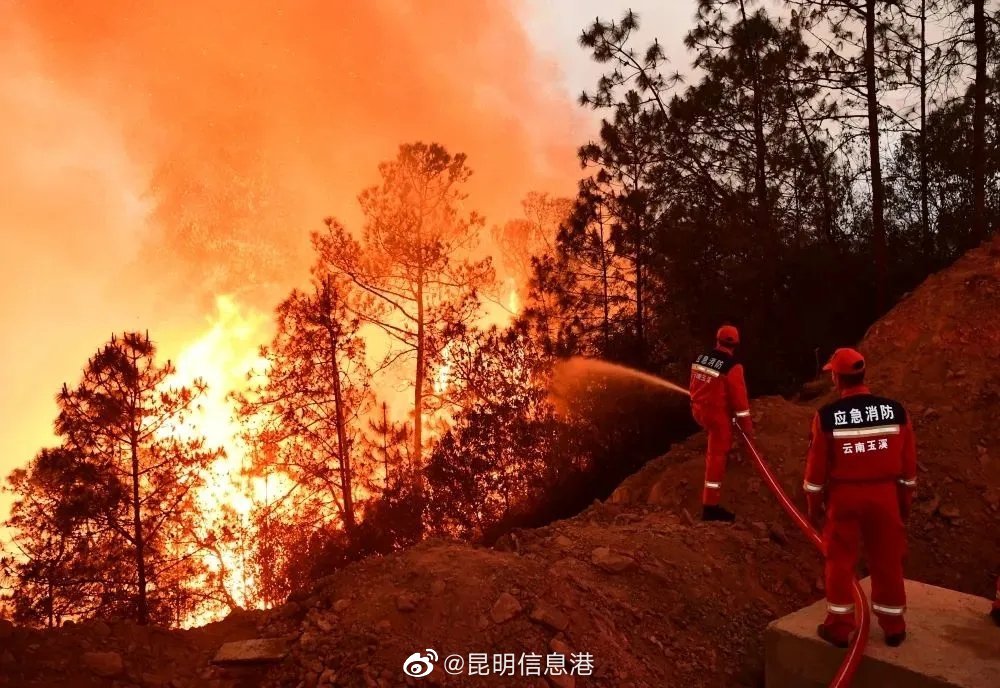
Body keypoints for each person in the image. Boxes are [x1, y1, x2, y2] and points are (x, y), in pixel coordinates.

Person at [803, 348, 917, 648]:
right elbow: (908, 468)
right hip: (886, 496)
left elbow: (815, 474)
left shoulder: (827, 417)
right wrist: (903, 504)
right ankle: (894, 627)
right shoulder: (896, 410)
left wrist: (814, 509)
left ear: (837, 378)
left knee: (840, 561)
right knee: (888, 559)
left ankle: (840, 628)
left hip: (845, 498)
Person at [689, 324, 753, 522]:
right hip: (717, 417)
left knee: (715, 445)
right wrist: (747, 430)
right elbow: (740, 402)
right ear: (736, 345)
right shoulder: (733, 366)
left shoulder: (700, 359)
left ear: (717, 340)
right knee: (716, 456)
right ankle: (710, 506)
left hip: (697, 409)